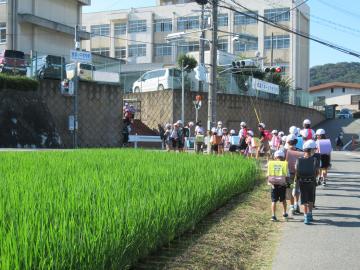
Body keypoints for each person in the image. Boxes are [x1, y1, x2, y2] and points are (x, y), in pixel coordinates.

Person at [295, 140, 319, 225]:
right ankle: (310, 214)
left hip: (302, 182)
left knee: (304, 200)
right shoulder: (315, 159)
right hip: (311, 181)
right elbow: (317, 172)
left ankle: (305, 217)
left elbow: (296, 171)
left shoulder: (299, 160)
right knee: (311, 199)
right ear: (311, 150)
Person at [267, 149, 289, 221]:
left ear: (275, 157)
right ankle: (284, 213)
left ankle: (273, 216)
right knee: (283, 200)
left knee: (273, 201)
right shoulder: (285, 164)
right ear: (283, 157)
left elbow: (268, 175)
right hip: (282, 185)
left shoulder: (270, 164)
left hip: (273, 185)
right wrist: (287, 183)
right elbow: (287, 175)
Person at [285, 134, 304, 215]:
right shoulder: (300, 151)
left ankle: (292, 206)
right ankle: (296, 205)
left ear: (288, 142)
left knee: (290, 189)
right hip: (299, 173)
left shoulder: (284, 151)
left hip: (288, 174)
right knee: (297, 189)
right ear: (296, 142)